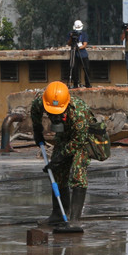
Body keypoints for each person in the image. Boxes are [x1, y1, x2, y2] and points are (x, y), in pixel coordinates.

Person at [31, 81, 91, 233]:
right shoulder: (41, 101)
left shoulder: (78, 111)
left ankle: (75, 219)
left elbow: (78, 140)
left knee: (78, 173)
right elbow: (35, 112)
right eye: (52, 113)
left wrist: (61, 157)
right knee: (57, 172)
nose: (54, 117)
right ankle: (58, 214)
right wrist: (37, 130)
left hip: (81, 139)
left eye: (58, 114)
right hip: (63, 137)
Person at [67, 20, 90, 89]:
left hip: (83, 53)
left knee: (86, 68)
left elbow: (85, 44)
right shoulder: (70, 33)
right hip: (74, 53)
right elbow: (68, 43)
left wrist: (78, 48)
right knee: (74, 68)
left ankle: (87, 84)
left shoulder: (84, 34)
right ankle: (75, 84)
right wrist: (71, 37)